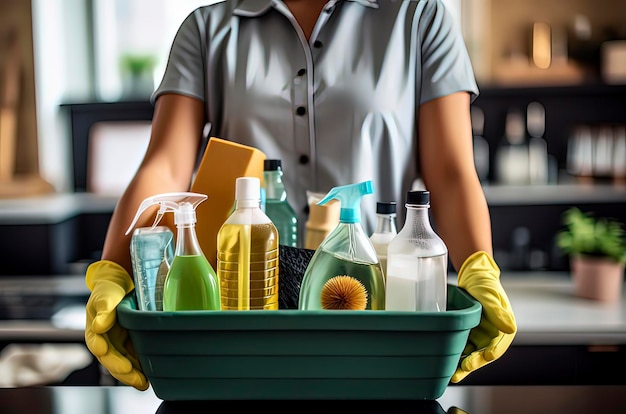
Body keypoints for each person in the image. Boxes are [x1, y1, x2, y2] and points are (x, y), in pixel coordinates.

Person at [85, 0, 516, 391]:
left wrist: (479, 266)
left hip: (378, 319)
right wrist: (116, 269)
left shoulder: (418, 17)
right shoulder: (207, 29)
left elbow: (451, 172)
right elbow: (164, 166)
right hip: (244, 325)